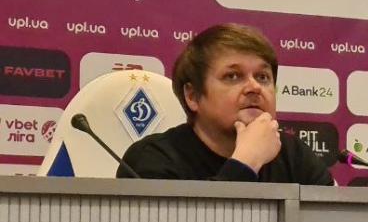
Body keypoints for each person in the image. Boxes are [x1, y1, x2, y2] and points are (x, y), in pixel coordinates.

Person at [120, 23, 332, 184]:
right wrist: (246, 162)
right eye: (233, 76)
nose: (254, 87)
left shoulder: (295, 157)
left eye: (263, 77)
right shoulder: (152, 160)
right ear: (193, 96)